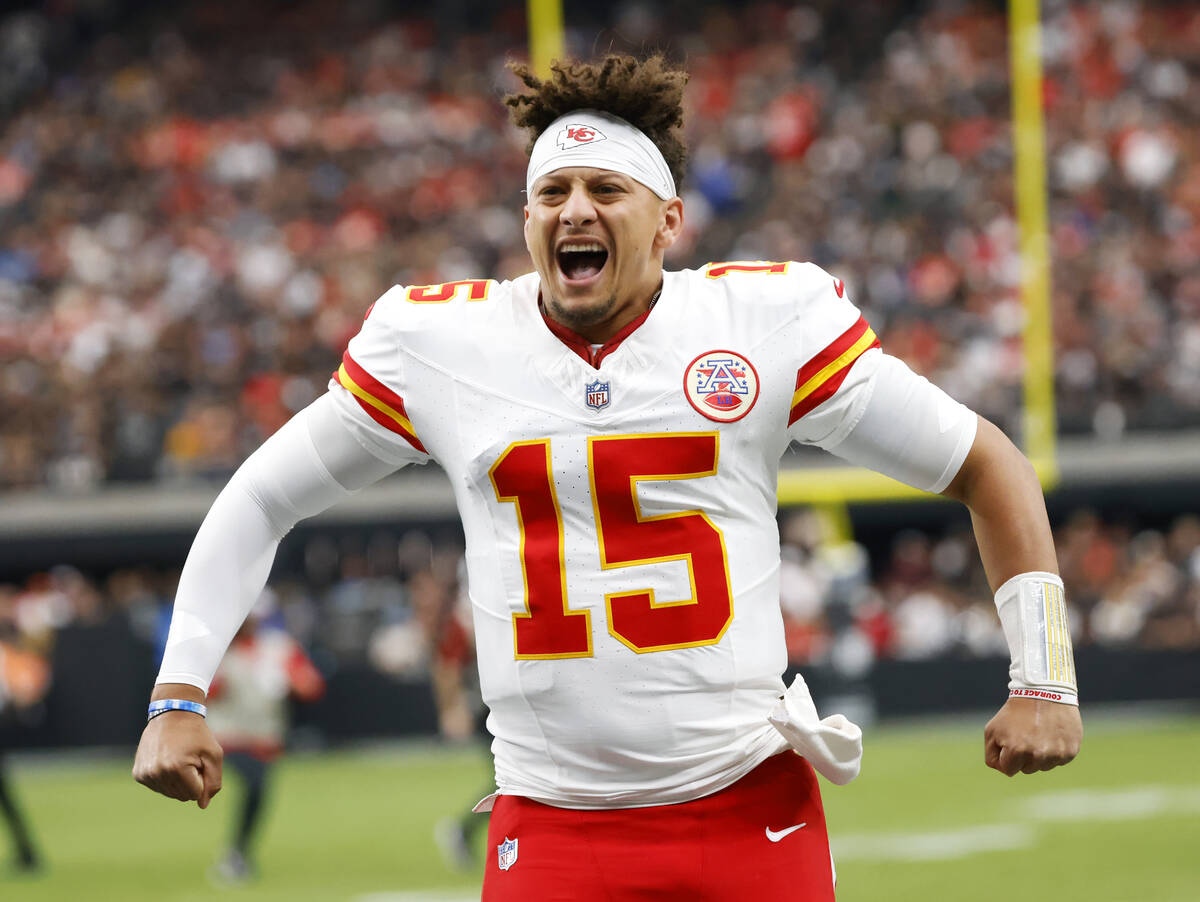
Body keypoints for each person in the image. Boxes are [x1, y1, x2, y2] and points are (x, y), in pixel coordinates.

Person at [134, 54, 1082, 900]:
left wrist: (1043, 678)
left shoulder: (761, 323)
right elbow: (262, 494)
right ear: (525, 220)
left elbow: (986, 463)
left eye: (604, 188)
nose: (575, 210)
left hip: (748, 807)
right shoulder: (441, 343)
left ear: (668, 219)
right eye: (552, 193)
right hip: (553, 822)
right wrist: (177, 695)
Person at [203, 591, 325, 884]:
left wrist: (288, 681)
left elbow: (311, 686)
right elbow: (206, 694)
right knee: (255, 784)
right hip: (227, 738)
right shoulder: (216, 651)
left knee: (259, 795)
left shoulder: (277, 647)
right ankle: (236, 855)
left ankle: (238, 854)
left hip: (265, 739)